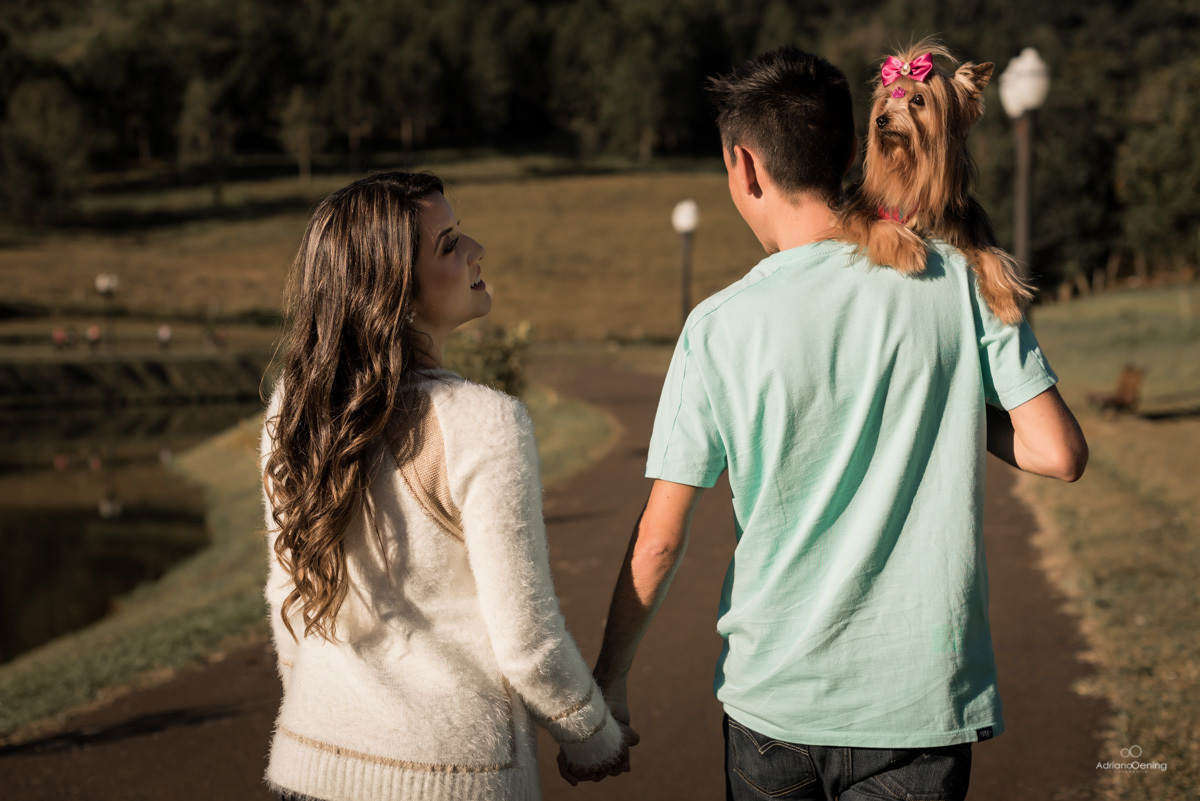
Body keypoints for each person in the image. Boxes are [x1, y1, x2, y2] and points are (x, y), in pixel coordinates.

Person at [591, 48, 1088, 801]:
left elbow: (658, 540)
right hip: (922, 704)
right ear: (853, 148)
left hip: (775, 704)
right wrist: (948, 401)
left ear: (744, 168)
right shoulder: (962, 276)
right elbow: (1057, 452)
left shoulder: (718, 327)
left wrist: (608, 683)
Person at [259, 172, 634, 801]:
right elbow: (526, 643)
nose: (476, 249)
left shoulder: (294, 411)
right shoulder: (484, 422)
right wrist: (593, 737)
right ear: (394, 291)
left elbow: (287, 594)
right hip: (451, 779)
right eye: (449, 243)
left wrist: (316, 707)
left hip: (309, 762)